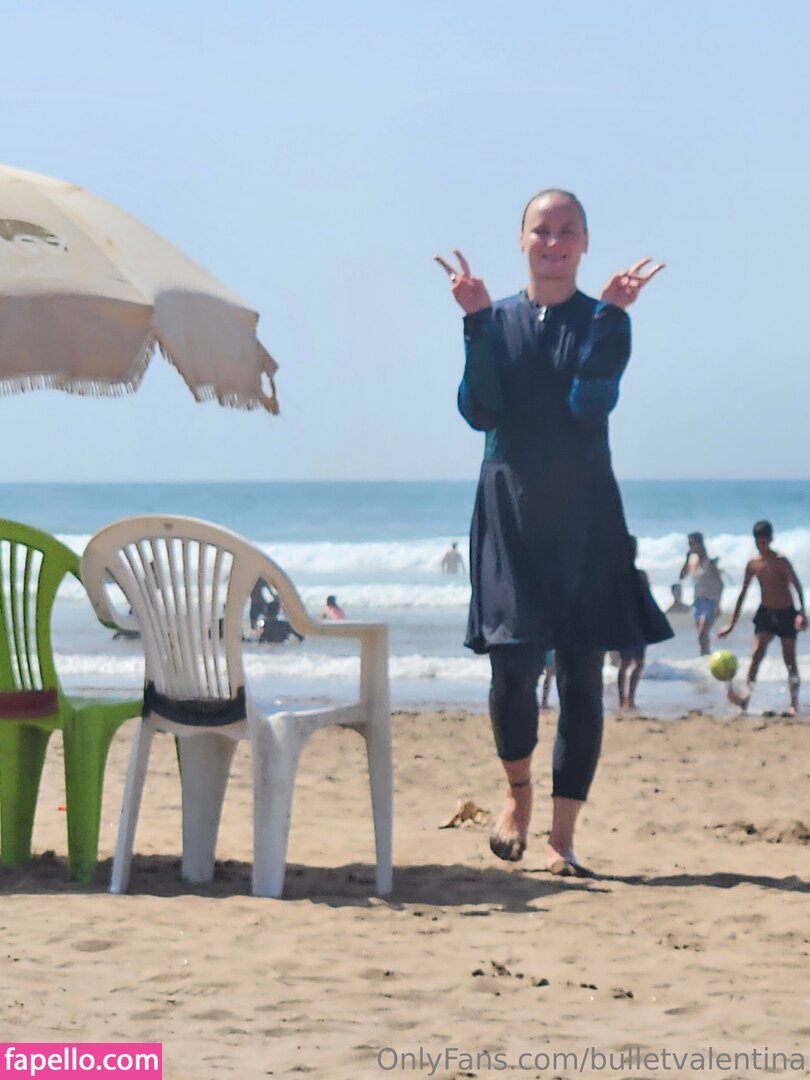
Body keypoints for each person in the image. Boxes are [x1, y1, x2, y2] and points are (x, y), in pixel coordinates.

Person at [435, 188, 672, 875]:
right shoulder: (495, 320)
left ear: (585, 243)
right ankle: (517, 796)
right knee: (512, 669)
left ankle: (561, 840)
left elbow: (587, 406)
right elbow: (480, 411)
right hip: (508, 507)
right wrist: (476, 325)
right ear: (522, 240)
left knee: (580, 675)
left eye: (568, 230)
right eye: (542, 230)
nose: (554, 241)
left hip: (585, 512)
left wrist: (612, 318)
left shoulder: (604, 322)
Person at [719, 520, 807, 715]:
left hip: (786, 613)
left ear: (771, 539)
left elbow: (797, 586)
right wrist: (731, 624)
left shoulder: (781, 561)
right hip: (766, 613)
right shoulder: (753, 563)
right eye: (759, 543)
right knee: (756, 655)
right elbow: (742, 593)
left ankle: (793, 704)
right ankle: (745, 699)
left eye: (765, 542)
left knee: (789, 660)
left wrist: (802, 614)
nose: (762, 546)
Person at [616, 537, 649, 712]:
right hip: (629, 623)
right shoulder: (635, 575)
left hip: (634, 622)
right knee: (628, 662)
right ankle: (625, 699)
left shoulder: (638, 574)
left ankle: (627, 699)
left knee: (634, 662)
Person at [679, 532, 723, 655]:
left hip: (711, 601)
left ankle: (708, 657)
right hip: (698, 601)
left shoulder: (710, 562)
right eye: (689, 544)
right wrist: (687, 558)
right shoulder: (693, 561)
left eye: (692, 543)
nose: (690, 546)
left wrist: (717, 603)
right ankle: (705, 658)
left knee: (702, 633)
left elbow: (720, 584)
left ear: (700, 544)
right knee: (702, 637)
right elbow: (681, 576)